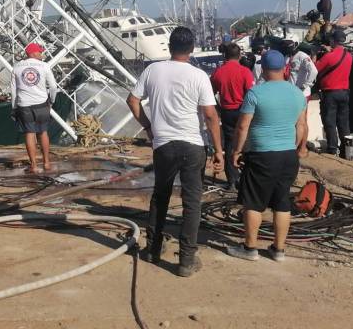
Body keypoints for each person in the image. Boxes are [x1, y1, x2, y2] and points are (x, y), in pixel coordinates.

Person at [126, 26, 224, 277]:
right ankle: (186, 260)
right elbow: (211, 115)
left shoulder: (153, 70)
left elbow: (132, 100)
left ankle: (153, 249)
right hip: (193, 145)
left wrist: (148, 126)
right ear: (191, 50)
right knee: (192, 202)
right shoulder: (199, 75)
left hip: (164, 145)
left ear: (169, 47)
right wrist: (219, 150)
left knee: (161, 197)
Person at [228, 50, 308, 262]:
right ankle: (278, 250)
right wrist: (298, 148)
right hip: (287, 155)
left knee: (253, 201)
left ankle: (250, 248)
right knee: (282, 201)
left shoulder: (256, 93)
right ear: (285, 68)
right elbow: (301, 125)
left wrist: (237, 151)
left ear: (262, 69)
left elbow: (243, 125)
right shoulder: (297, 93)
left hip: (262, 154)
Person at [210, 43, 254, 190]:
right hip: (243, 110)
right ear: (239, 55)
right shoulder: (245, 71)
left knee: (229, 144)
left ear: (225, 56)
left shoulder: (218, 72)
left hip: (227, 111)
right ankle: (245, 178)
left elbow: (209, 93)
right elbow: (251, 93)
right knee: (245, 143)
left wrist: (217, 106)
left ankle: (232, 180)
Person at [11, 42, 58, 173]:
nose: (41, 54)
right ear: (33, 53)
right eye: (39, 51)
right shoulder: (44, 66)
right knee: (43, 132)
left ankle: (34, 165)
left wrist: (14, 108)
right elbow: (53, 87)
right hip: (42, 104)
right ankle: (47, 162)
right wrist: (52, 101)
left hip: (24, 105)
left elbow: (14, 91)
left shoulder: (16, 67)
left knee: (29, 134)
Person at [315, 30, 352, 156]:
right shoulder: (349, 56)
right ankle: (346, 150)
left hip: (330, 93)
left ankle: (332, 149)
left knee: (330, 121)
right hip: (345, 92)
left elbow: (315, 69)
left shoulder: (329, 56)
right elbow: (337, 57)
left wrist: (315, 54)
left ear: (332, 41)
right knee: (343, 122)